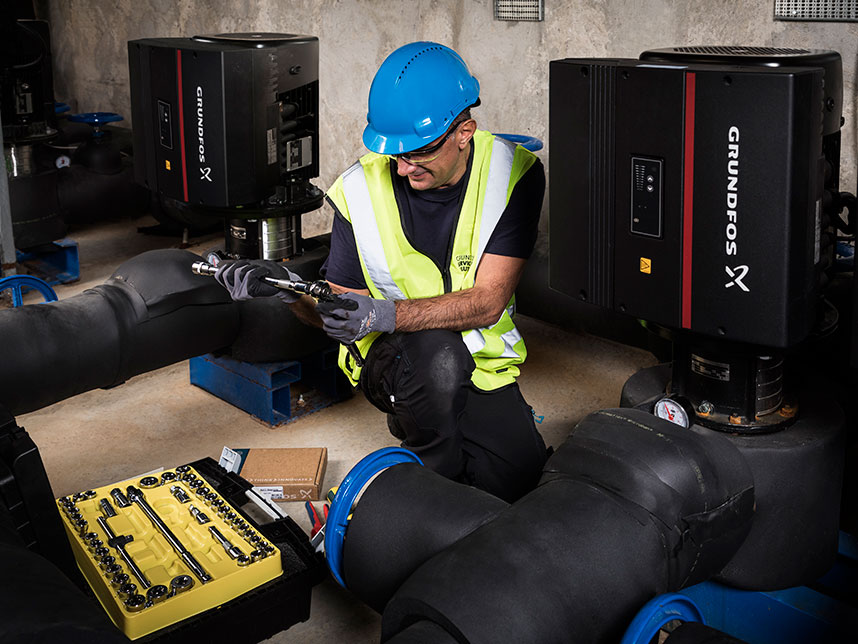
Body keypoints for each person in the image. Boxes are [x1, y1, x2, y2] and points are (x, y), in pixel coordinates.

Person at [215, 42, 547, 502]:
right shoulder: (359, 190)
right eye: (395, 154)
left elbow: (489, 302)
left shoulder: (513, 173)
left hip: (482, 362)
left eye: (419, 152)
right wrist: (288, 290)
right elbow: (335, 308)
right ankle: (428, 482)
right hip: (398, 360)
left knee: (521, 482)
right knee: (439, 371)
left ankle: (442, 425)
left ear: (464, 132)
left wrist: (384, 312)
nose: (404, 167)